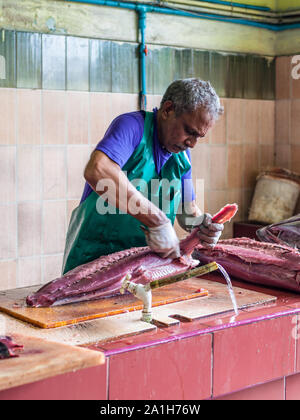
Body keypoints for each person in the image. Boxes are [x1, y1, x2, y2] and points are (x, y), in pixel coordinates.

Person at [62, 78, 224, 274]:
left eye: (199, 136)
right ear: (167, 109)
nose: (192, 143)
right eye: (189, 131)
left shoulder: (181, 154)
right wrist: (158, 220)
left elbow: (186, 210)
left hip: (143, 270)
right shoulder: (132, 126)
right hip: (93, 266)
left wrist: (201, 226)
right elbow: (97, 170)